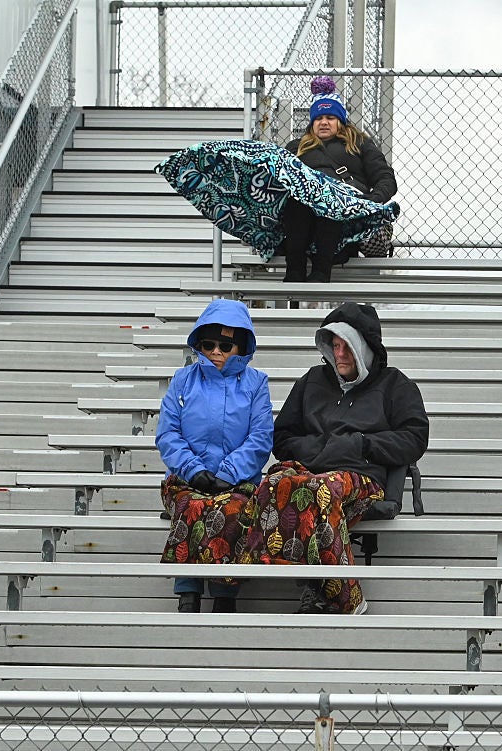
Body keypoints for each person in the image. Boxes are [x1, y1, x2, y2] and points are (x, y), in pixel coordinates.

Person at [244, 302, 429, 614]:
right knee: (275, 483)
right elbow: (282, 437)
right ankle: (314, 585)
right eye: (335, 346)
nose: (340, 354)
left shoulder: (395, 385)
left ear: (365, 349)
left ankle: (341, 596)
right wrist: (321, 449)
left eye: (348, 347)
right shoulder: (312, 381)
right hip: (310, 470)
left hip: (363, 477)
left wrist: (360, 444)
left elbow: (414, 438)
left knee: (320, 490)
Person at [156, 299, 274, 613]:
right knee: (191, 504)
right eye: (208, 345)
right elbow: (168, 434)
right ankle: (188, 594)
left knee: (231, 507)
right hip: (186, 479)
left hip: (237, 482)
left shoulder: (256, 384)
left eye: (225, 346)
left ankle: (224, 595)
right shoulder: (182, 380)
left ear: (241, 347)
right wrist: (193, 471)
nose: (215, 352)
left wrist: (227, 474)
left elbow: (260, 438)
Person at [281, 76, 397, 283]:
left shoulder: (359, 143)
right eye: (318, 118)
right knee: (296, 199)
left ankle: (321, 271)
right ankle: (295, 270)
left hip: (345, 214)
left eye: (330, 117)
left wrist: (371, 200)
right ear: (312, 122)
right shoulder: (296, 147)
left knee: (330, 198)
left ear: (340, 121)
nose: (324, 122)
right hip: (303, 214)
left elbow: (386, 178)